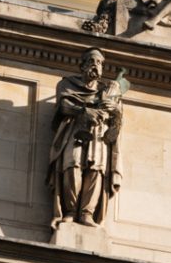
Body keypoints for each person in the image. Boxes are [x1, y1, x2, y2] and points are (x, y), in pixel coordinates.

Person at [48, 48, 128, 227]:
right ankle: (70, 211)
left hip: (99, 135)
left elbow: (117, 118)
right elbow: (63, 106)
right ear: (82, 65)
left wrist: (114, 110)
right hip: (74, 131)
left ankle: (87, 213)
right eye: (92, 61)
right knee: (72, 165)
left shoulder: (107, 90)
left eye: (99, 63)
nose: (96, 65)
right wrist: (83, 111)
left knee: (96, 169)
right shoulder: (67, 84)